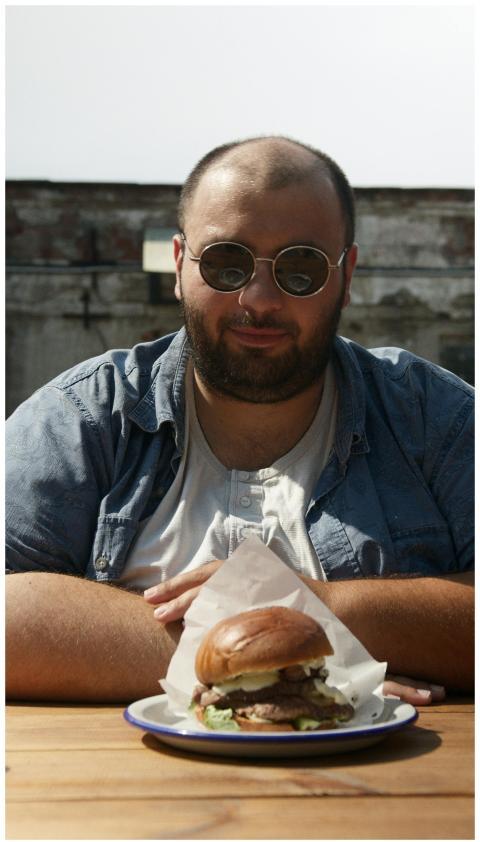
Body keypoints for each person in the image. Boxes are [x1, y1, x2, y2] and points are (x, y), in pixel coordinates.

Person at [6, 136, 473, 706]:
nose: (260, 298)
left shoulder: (433, 416)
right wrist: (291, 664)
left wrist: (316, 606)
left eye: (300, 268)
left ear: (346, 276)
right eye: (228, 263)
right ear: (180, 265)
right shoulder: (88, 416)